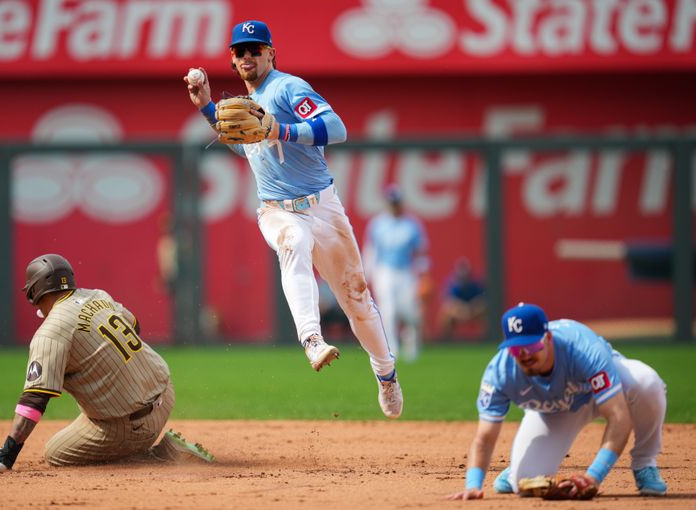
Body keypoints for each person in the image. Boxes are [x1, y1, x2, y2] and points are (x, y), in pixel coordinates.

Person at [184, 20, 402, 418]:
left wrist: (280, 129)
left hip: (323, 206)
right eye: (240, 51)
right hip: (275, 209)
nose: (247, 56)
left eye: (255, 48)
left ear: (271, 53)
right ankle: (312, 340)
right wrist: (206, 106)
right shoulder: (245, 102)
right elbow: (245, 143)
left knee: (358, 300)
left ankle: (385, 374)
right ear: (232, 60)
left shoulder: (287, 87)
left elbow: (337, 129)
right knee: (293, 244)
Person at [0, 254, 214, 471]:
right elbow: (134, 325)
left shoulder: (50, 332)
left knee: (55, 452)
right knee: (90, 414)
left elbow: (35, 400)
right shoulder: (98, 296)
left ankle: (163, 454)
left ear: (35, 292)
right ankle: (148, 441)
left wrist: (7, 454)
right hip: (165, 395)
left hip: (129, 427)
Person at [449, 303, 668, 500]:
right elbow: (485, 438)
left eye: (532, 345)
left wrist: (593, 476)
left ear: (548, 338)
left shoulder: (582, 348)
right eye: (516, 348)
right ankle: (518, 467)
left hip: (605, 390)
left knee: (647, 382)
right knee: (524, 482)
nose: (524, 354)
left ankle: (644, 463)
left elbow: (619, 418)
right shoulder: (500, 371)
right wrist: (473, 485)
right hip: (555, 410)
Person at [363, 186, 431, 362]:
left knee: (410, 312)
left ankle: (412, 347)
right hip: (384, 271)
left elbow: (420, 252)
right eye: (392, 203)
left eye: (397, 203)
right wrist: (366, 275)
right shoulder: (378, 223)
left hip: (406, 272)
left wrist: (424, 275)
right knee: (388, 311)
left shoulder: (412, 224)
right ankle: (392, 350)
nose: (395, 206)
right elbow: (371, 250)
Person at [437, 257, 486, 341]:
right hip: (458, 311)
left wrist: (473, 307)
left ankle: (485, 339)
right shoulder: (452, 284)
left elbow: (483, 299)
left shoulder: (475, 284)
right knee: (445, 315)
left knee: (485, 313)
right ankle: (446, 341)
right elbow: (448, 301)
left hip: (473, 311)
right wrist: (461, 309)